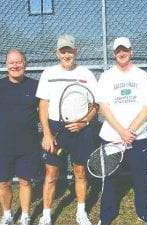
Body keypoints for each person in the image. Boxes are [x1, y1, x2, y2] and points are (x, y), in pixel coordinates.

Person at [95, 37, 147, 225]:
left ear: (131, 51)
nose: (121, 53)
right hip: (112, 137)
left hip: (137, 137)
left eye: (125, 50)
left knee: (140, 177)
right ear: (114, 53)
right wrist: (121, 131)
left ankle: (145, 213)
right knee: (110, 178)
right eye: (118, 50)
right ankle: (106, 216)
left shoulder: (142, 76)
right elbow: (103, 107)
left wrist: (130, 131)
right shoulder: (107, 76)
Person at [36, 34, 98, 225]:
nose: (66, 54)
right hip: (56, 129)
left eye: (69, 50)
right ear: (57, 53)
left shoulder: (86, 74)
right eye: (63, 51)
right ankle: (46, 215)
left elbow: (95, 105)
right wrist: (47, 133)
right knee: (51, 174)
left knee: (80, 172)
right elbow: (43, 105)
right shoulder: (48, 73)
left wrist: (84, 122)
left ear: (75, 52)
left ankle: (81, 212)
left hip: (81, 130)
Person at [0, 48, 41, 225]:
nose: (15, 65)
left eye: (19, 62)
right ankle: (7, 215)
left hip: (28, 144)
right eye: (11, 62)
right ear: (6, 65)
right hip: (3, 144)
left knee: (25, 181)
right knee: (3, 182)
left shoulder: (36, 86)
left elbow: (43, 111)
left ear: (25, 64)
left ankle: (25, 216)